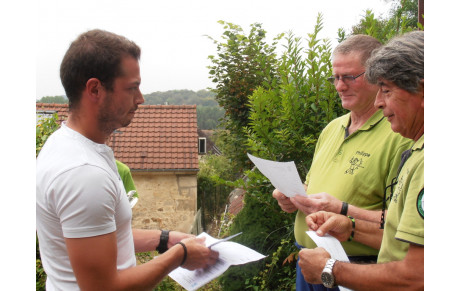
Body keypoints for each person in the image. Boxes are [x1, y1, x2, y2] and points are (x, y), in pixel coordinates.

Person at [36, 29, 218, 290]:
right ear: (95, 89)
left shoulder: (64, 144)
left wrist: (164, 239)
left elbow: (103, 238)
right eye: (132, 88)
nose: (140, 99)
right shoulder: (84, 173)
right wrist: (180, 255)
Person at [272, 35, 413, 290]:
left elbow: (401, 222)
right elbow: (317, 185)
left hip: (357, 269)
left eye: (348, 77)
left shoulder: (399, 133)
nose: (339, 86)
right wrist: (293, 196)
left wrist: (342, 208)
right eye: (335, 78)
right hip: (309, 262)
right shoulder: (332, 128)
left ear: (376, 77)